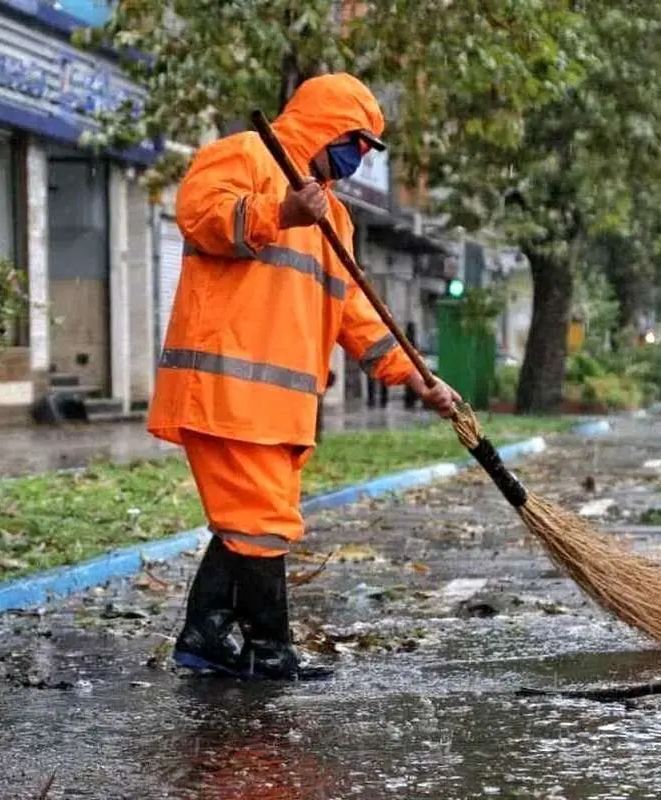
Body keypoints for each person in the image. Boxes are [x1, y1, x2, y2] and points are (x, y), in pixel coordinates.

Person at [147, 73, 460, 682]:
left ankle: (206, 634)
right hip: (224, 392)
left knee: (253, 521)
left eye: (368, 148)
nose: (359, 157)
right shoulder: (244, 155)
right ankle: (270, 650)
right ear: (327, 125)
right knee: (262, 524)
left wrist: (416, 375)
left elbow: (355, 311)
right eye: (357, 141)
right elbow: (200, 215)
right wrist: (279, 211)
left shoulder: (334, 219)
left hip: (281, 409)